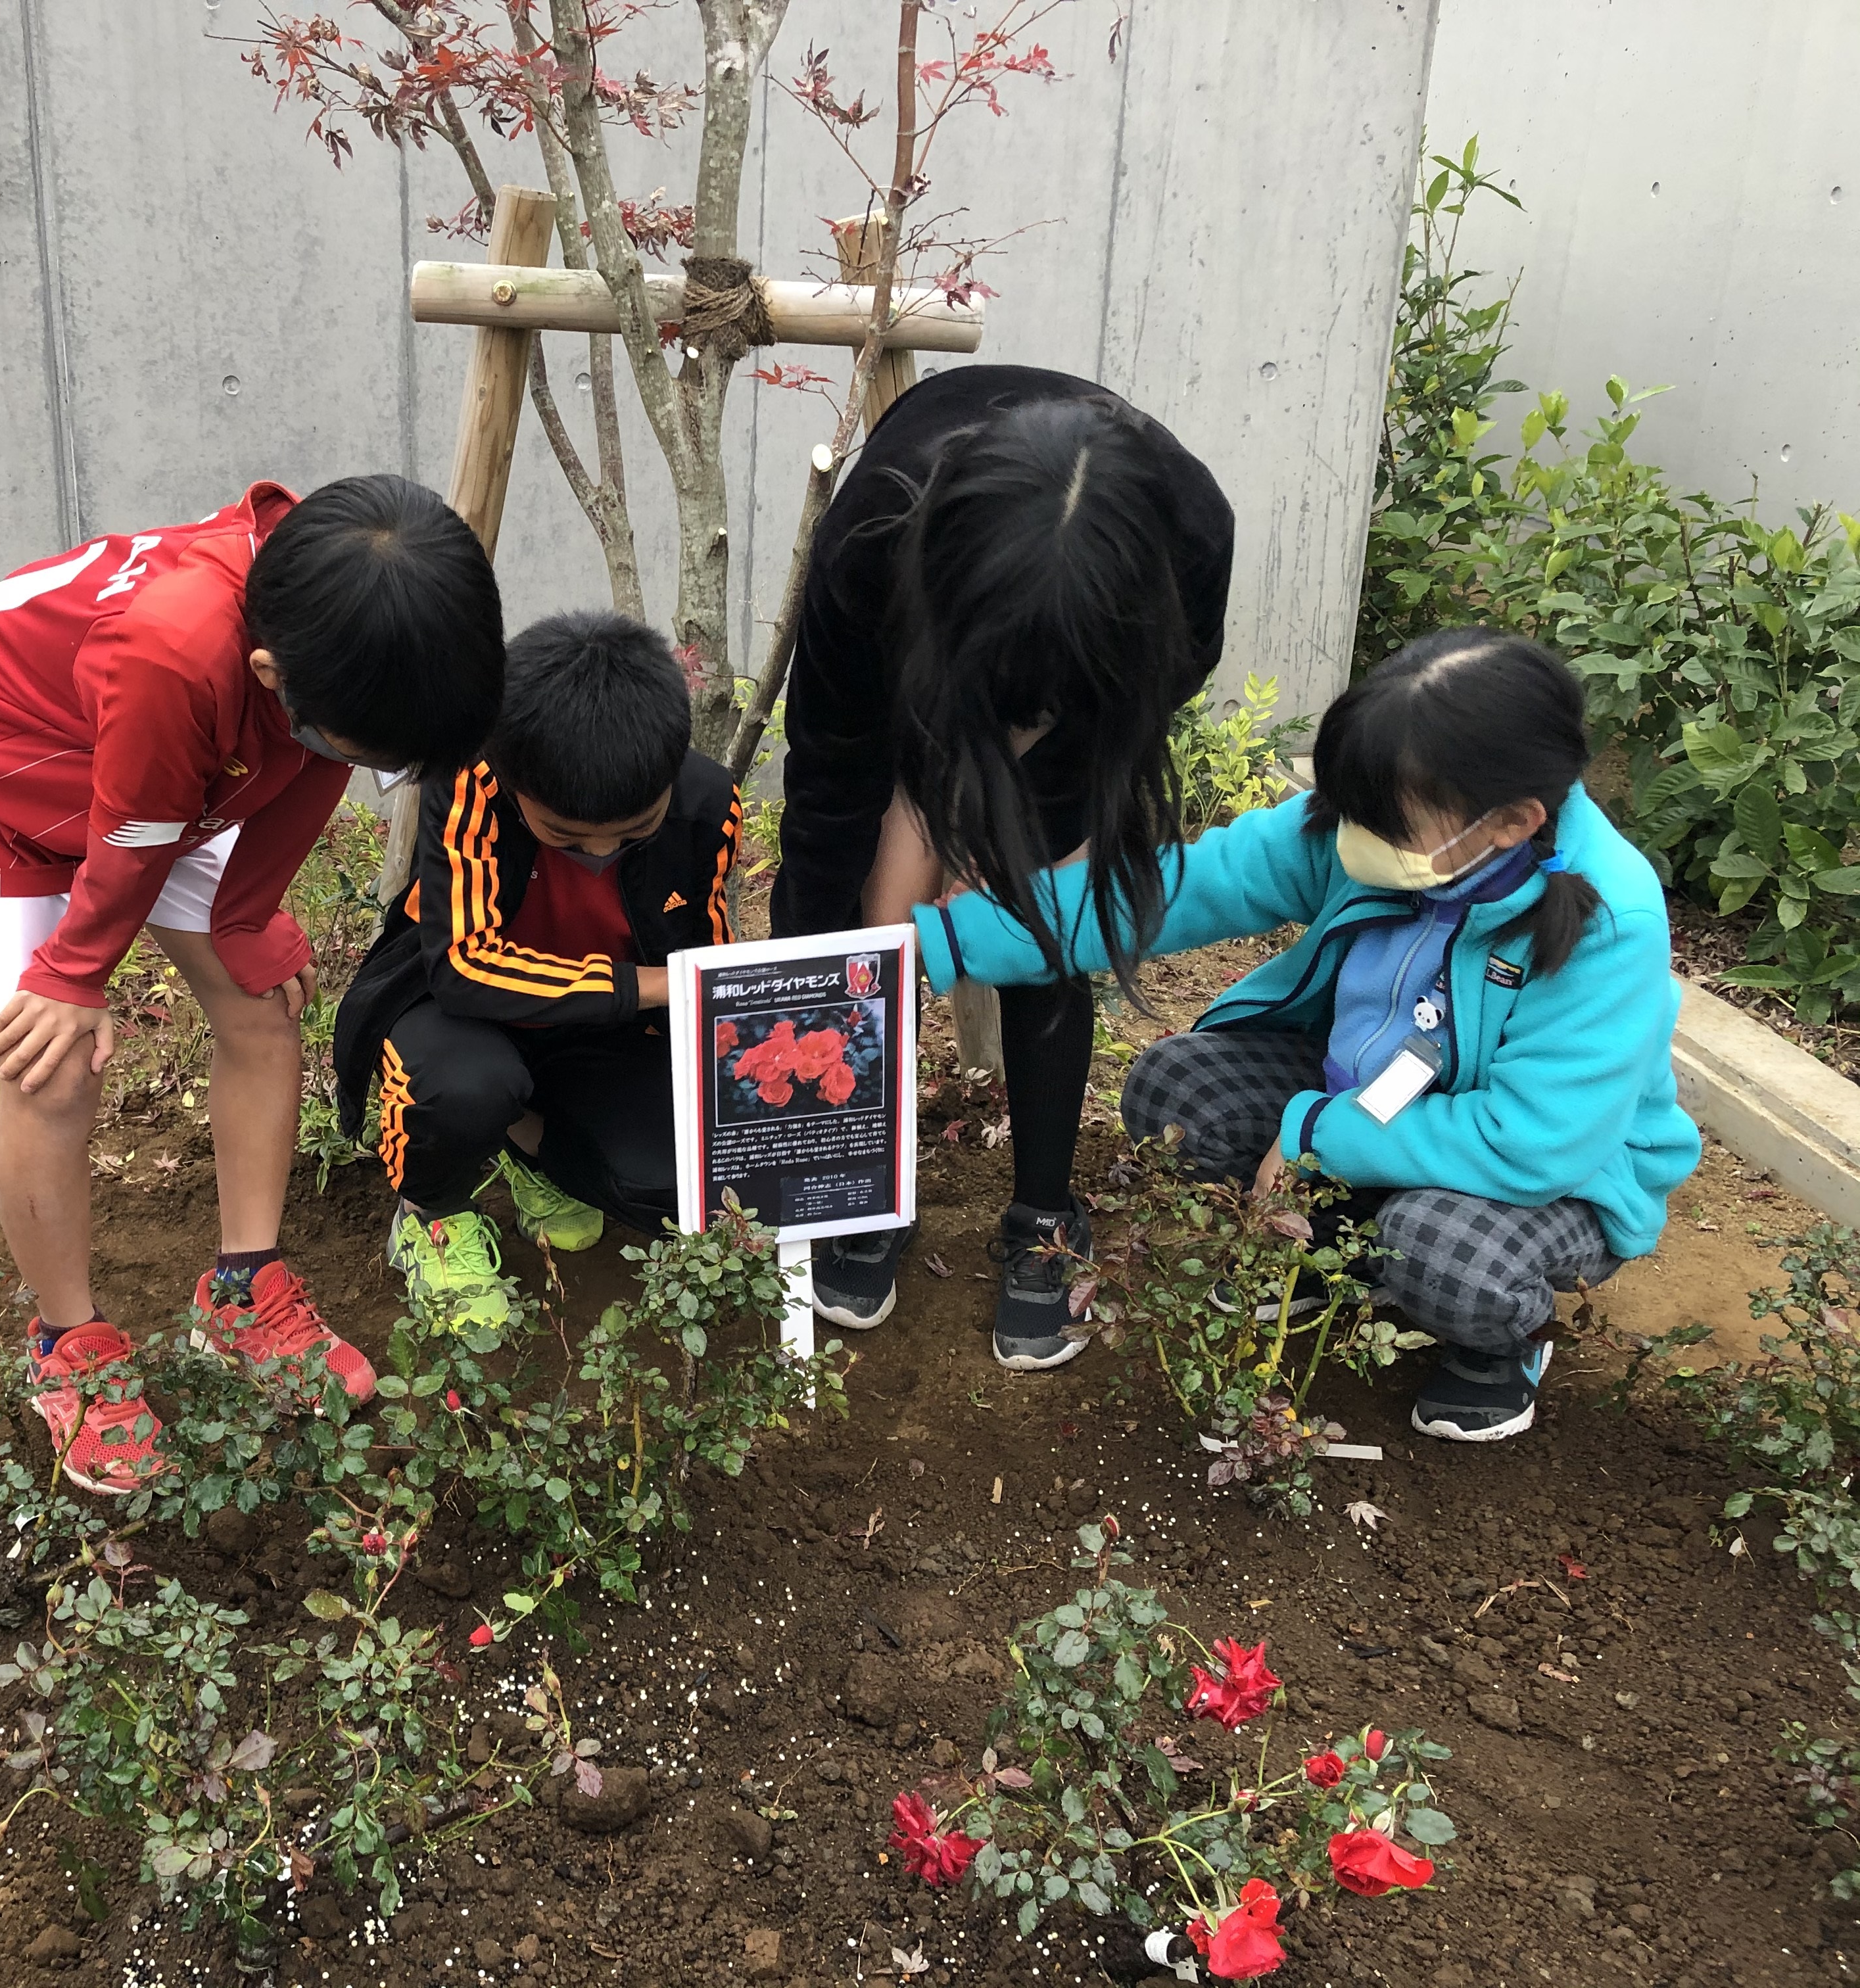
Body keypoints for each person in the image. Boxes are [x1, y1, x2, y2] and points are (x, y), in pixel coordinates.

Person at [917, 629, 1700, 1440]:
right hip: (1387, 1089)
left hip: (1554, 1172)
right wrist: (949, 943)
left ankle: (1500, 1344)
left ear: (1512, 822)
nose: (1352, 837)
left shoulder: (1610, 919)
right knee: (1178, 1091)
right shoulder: (1382, 824)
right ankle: (1341, 1254)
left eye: (1386, 819)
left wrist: (1319, 1136)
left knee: (1439, 1250)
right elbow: (1180, 890)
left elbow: (1535, 1140)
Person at [0, 475, 505, 1490]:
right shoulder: (176, 648)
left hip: (170, 767)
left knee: (262, 1009)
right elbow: (131, 829)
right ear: (272, 673)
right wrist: (76, 974)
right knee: (57, 1066)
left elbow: (308, 774)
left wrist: (245, 916)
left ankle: (242, 1290)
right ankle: (68, 1346)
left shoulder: (345, 627)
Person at [771, 366, 1235, 1358]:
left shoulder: (1191, 542)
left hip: (1088, 691)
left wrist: (1015, 829)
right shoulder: (870, 546)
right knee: (863, 906)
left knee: (1039, 916)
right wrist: (832, 963)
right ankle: (863, 1183)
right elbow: (827, 797)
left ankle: (1045, 1213)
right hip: (924, 640)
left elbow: (1142, 707)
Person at [330, 611, 744, 1326]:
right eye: (566, 837)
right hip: (457, 1014)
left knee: (678, 1183)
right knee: (460, 1090)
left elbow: (701, 946)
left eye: (633, 833)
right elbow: (463, 965)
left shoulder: (709, 804)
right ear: (512, 777)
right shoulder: (467, 784)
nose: (598, 853)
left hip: (600, 1029)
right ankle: (432, 1214)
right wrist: (654, 987)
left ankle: (526, 1144)